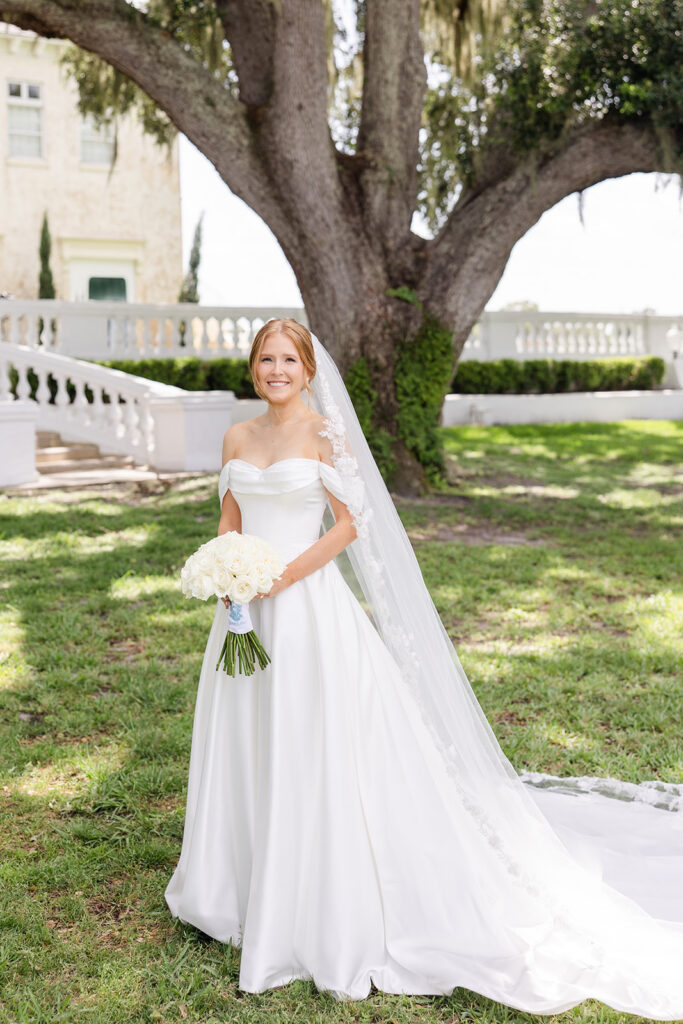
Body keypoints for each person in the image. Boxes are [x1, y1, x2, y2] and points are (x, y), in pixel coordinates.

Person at [165, 318, 683, 1015]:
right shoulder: (235, 437)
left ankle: (314, 893)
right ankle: (242, 881)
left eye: (289, 359)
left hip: (307, 607)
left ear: (309, 370)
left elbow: (351, 524)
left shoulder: (324, 434)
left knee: (313, 743)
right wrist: (226, 568)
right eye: (266, 359)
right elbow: (230, 515)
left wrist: (282, 575)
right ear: (252, 369)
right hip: (241, 614)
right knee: (248, 739)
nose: (276, 369)